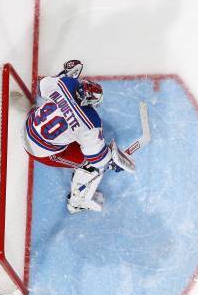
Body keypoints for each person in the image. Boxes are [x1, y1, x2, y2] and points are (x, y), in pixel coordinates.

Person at [21, 60, 132, 213]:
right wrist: (111, 162)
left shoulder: (65, 83)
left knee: (78, 134)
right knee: (91, 166)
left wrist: (62, 77)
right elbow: (98, 160)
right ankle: (76, 203)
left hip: (27, 127)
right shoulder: (90, 122)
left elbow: (41, 86)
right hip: (40, 151)